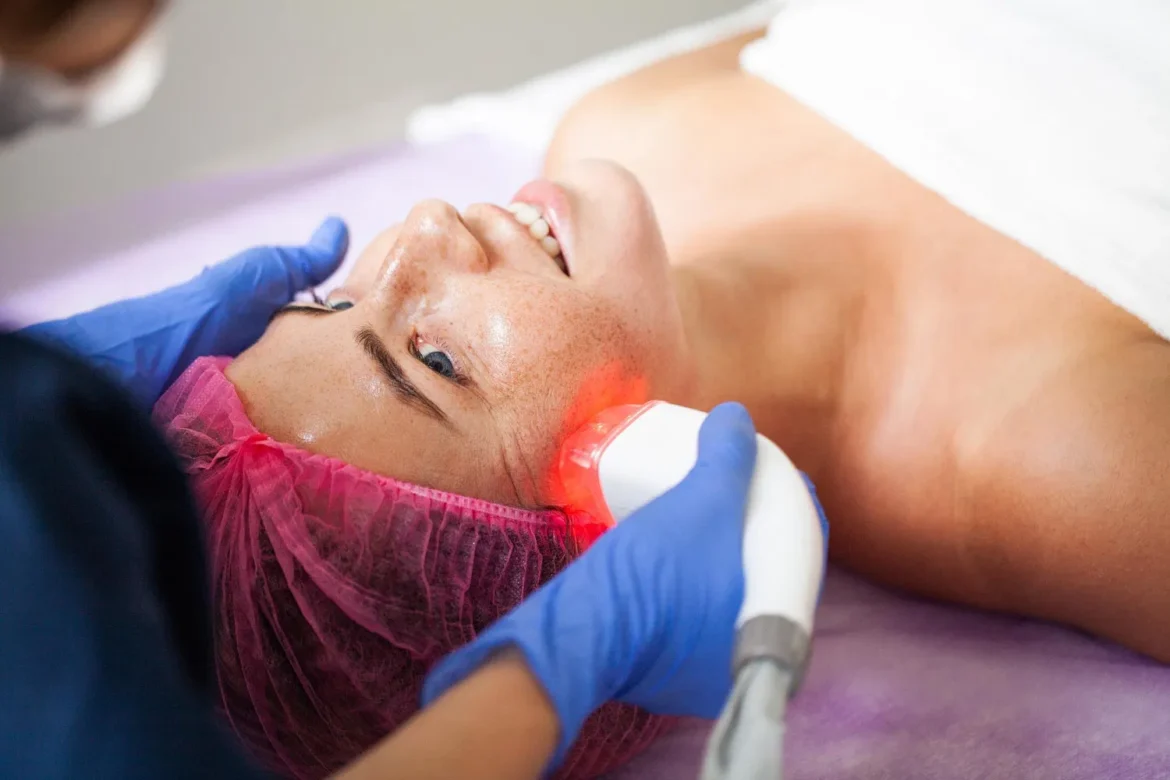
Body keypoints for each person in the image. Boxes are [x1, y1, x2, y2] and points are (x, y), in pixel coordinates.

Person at [1, 3, 797, 780]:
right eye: (437, 361)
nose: (424, 225)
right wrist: (542, 676)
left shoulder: (617, 123)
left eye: (331, 303)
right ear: (622, 510)